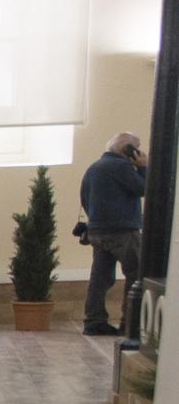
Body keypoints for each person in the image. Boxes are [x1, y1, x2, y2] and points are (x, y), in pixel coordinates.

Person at [80, 131, 147, 336]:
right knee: (136, 276)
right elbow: (143, 188)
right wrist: (144, 167)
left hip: (97, 231)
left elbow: (85, 198)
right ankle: (130, 324)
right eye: (136, 147)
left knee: (99, 279)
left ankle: (94, 321)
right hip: (123, 232)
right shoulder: (121, 167)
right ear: (127, 150)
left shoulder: (94, 167)